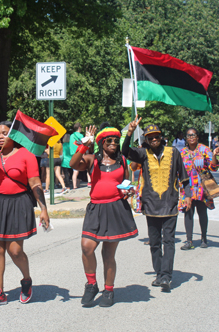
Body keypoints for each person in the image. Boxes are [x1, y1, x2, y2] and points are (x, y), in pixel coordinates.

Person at [0, 121, 50, 306]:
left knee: (15, 251)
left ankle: (26, 280)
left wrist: (44, 209)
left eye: (5, 133)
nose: (1, 136)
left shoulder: (26, 155)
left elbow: (35, 183)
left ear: (14, 135)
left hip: (19, 203)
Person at [70, 123, 138, 308]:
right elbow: (73, 163)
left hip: (115, 208)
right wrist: (85, 144)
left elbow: (125, 180)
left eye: (116, 140)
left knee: (108, 254)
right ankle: (91, 285)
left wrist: (128, 189)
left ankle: (109, 290)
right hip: (96, 209)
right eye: (110, 140)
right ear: (102, 142)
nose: (114, 143)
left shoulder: (122, 160)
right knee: (86, 247)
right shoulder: (92, 160)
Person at [122, 117, 191, 292]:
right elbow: (124, 151)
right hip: (151, 205)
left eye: (156, 137)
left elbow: (183, 176)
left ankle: (166, 276)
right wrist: (129, 132)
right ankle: (159, 273)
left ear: (161, 138)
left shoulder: (173, 152)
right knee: (154, 243)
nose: (154, 140)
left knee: (168, 241)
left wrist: (188, 196)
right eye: (150, 138)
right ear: (146, 140)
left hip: (170, 204)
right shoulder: (143, 154)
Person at [179, 128, 219, 250]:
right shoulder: (182, 152)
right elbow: (179, 171)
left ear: (197, 137)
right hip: (187, 188)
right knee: (188, 212)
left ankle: (204, 237)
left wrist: (213, 155)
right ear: (186, 138)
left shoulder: (204, 149)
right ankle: (189, 241)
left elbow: (213, 167)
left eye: (193, 135)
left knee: (202, 213)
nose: (191, 137)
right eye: (188, 135)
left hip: (202, 188)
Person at [70, 122, 84, 190]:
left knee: (75, 170)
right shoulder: (81, 136)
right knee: (78, 170)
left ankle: (75, 185)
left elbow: (71, 146)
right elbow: (83, 145)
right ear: (79, 128)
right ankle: (75, 185)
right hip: (79, 153)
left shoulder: (71, 136)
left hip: (73, 154)